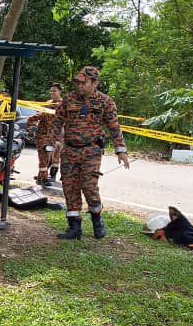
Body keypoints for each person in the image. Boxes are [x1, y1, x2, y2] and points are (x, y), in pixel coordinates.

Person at [48, 66, 130, 240]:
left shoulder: (105, 102)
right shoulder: (69, 99)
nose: (79, 86)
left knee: (89, 186)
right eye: (78, 82)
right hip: (69, 150)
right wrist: (53, 143)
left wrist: (120, 150)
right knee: (69, 187)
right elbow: (57, 122)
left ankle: (97, 219)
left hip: (91, 150)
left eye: (83, 83)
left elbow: (114, 127)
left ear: (95, 83)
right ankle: (74, 227)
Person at [27, 83, 64, 186]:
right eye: (51, 90)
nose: (52, 92)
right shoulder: (48, 103)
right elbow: (38, 115)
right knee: (44, 156)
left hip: (56, 135)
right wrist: (29, 125)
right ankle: (42, 177)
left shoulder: (63, 104)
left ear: (59, 91)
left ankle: (49, 176)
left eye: (54, 90)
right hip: (43, 134)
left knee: (54, 157)